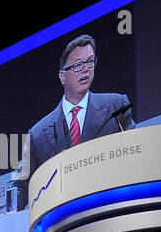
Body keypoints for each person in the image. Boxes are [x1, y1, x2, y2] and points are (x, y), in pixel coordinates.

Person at [15, 34, 136, 209]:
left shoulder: (117, 107)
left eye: (90, 62)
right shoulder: (38, 134)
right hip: (64, 223)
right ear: (62, 77)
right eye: (78, 65)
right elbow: (20, 189)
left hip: (114, 209)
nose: (86, 70)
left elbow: (137, 155)